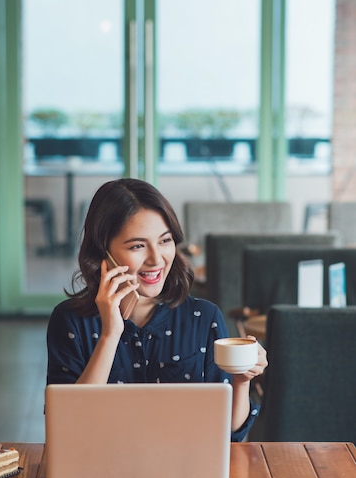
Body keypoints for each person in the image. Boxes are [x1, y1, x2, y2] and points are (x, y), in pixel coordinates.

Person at [47, 178, 268, 441]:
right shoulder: (70, 321)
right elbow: (69, 428)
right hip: (100, 475)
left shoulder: (203, 317)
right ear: (104, 252)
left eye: (164, 241)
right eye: (137, 246)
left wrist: (242, 380)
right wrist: (110, 334)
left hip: (188, 473)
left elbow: (229, 434)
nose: (156, 259)